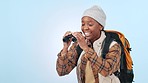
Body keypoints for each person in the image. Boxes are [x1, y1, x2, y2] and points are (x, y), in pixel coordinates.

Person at [56, 5, 121, 83]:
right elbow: (62, 71)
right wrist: (65, 48)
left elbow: (106, 70)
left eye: (90, 24)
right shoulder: (78, 45)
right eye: (83, 24)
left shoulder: (113, 46)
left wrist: (86, 48)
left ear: (100, 26)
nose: (85, 28)